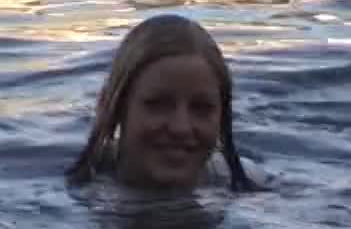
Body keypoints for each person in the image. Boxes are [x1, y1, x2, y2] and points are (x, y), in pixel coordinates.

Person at [66, 13, 260, 193]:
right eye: (158, 105)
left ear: (222, 116)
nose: (181, 128)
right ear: (115, 107)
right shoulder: (70, 181)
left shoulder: (248, 184)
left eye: (201, 108)